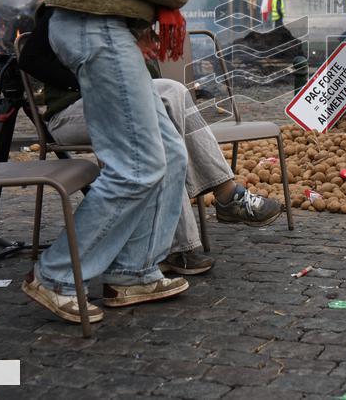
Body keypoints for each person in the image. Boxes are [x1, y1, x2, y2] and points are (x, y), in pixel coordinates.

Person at [26, 0, 191, 324]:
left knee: (167, 156)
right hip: (96, 26)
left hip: (97, 24)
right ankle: (55, 276)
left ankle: (133, 271)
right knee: (139, 165)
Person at [43, 76, 283, 274]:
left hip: (119, 98)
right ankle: (219, 204)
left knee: (172, 94)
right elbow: (33, 58)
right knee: (165, 102)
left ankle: (181, 241)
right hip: (73, 111)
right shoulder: (64, 21)